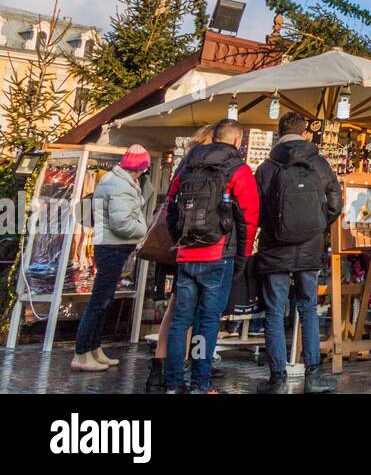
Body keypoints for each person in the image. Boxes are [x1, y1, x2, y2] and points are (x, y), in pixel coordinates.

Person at [163, 118, 259, 394]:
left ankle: (172, 383)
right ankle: (200, 383)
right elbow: (249, 218)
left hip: (186, 253)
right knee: (207, 321)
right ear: (237, 141)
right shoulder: (238, 170)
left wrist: (180, 239)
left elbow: (170, 205)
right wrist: (242, 254)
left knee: (181, 320)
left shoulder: (189, 166)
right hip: (218, 254)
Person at [253, 112, 342, 394]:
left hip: (275, 246)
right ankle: (313, 375)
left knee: (275, 311)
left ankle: (277, 378)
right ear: (305, 133)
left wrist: (274, 227)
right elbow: (335, 204)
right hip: (309, 247)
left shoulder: (267, 167)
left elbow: (256, 210)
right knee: (308, 308)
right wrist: (317, 226)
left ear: (279, 133)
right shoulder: (320, 164)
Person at [145, 124, 215, 392]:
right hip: (191, 247)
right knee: (187, 313)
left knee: (177, 311)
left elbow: (172, 202)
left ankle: (160, 366)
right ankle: (185, 364)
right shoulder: (201, 168)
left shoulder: (185, 165)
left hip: (177, 246)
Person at [72, 145, 152, 373]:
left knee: (104, 302)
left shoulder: (119, 182)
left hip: (111, 246)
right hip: (112, 247)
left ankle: (93, 348)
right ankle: (81, 352)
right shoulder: (119, 185)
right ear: (138, 168)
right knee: (99, 302)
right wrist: (144, 228)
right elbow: (122, 224)